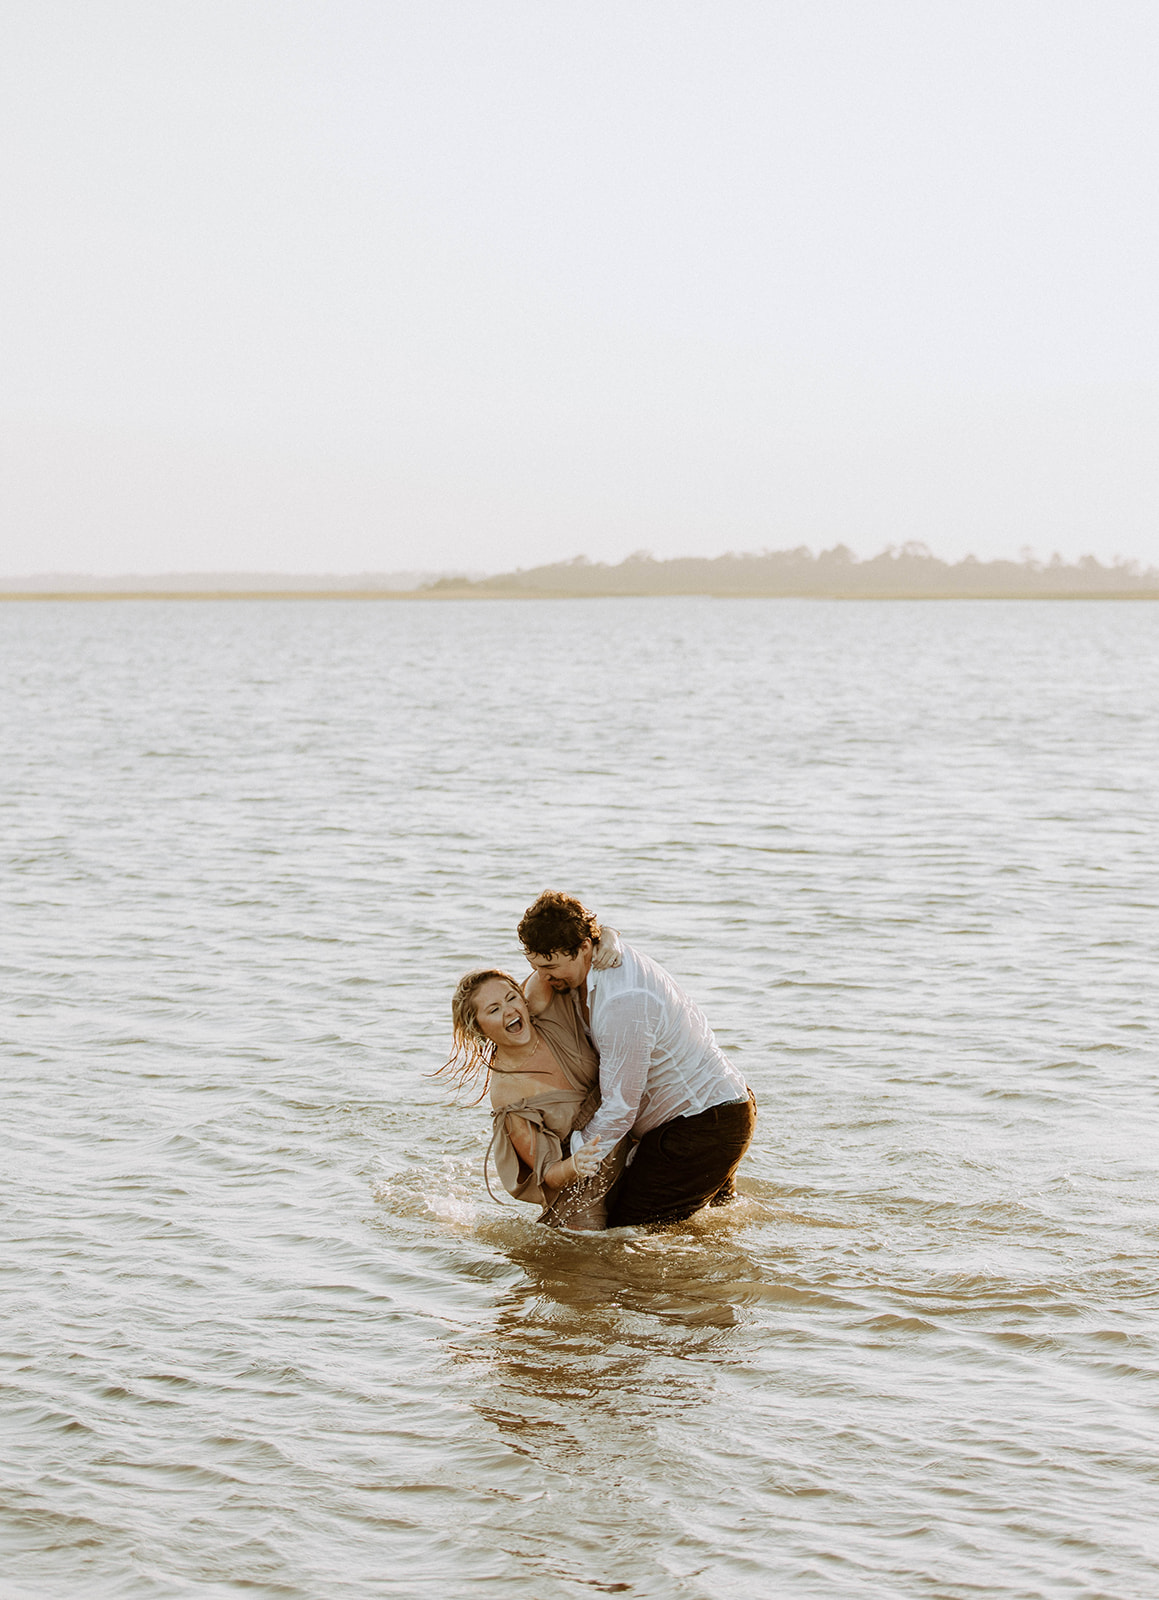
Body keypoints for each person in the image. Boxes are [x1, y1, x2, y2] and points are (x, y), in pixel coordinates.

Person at [517, 891, 756, 1228]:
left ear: (584, 948)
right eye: (535, 966)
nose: (543, 976)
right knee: (709, 1228)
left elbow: (620, 1107)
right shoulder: (590, 965)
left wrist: (572, 1160)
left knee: (625, 1234)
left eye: (550, 966)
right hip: (710, 1115)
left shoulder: (621, 1001)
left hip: (702, 1125)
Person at [440, 954, 628, 1230]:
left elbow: (563, 949)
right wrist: (575, 1165)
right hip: (581, 1194)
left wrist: (608, 938)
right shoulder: (509, 1096)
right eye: (493, 1010)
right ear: (478, 1028)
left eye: (511, 998)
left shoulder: (544, 1010)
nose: (509, 1011)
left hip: (628, 1141)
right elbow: (549, 1173)